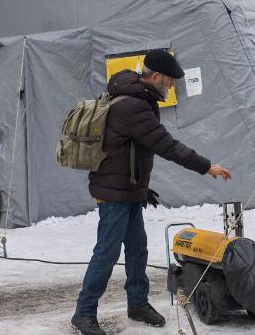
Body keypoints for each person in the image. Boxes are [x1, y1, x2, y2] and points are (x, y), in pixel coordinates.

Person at [71, 50, 233, 335]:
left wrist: (141, 188)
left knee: (137, 248)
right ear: (156, 76)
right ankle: (83, 313)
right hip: (114, 193)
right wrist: (206, 166)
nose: (172, 86)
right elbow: (166, 145)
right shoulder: (134, 106)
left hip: (128, 189)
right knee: (107, 253)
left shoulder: (138, 98)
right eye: (170, 80)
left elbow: (130, 149)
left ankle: (137, 303)